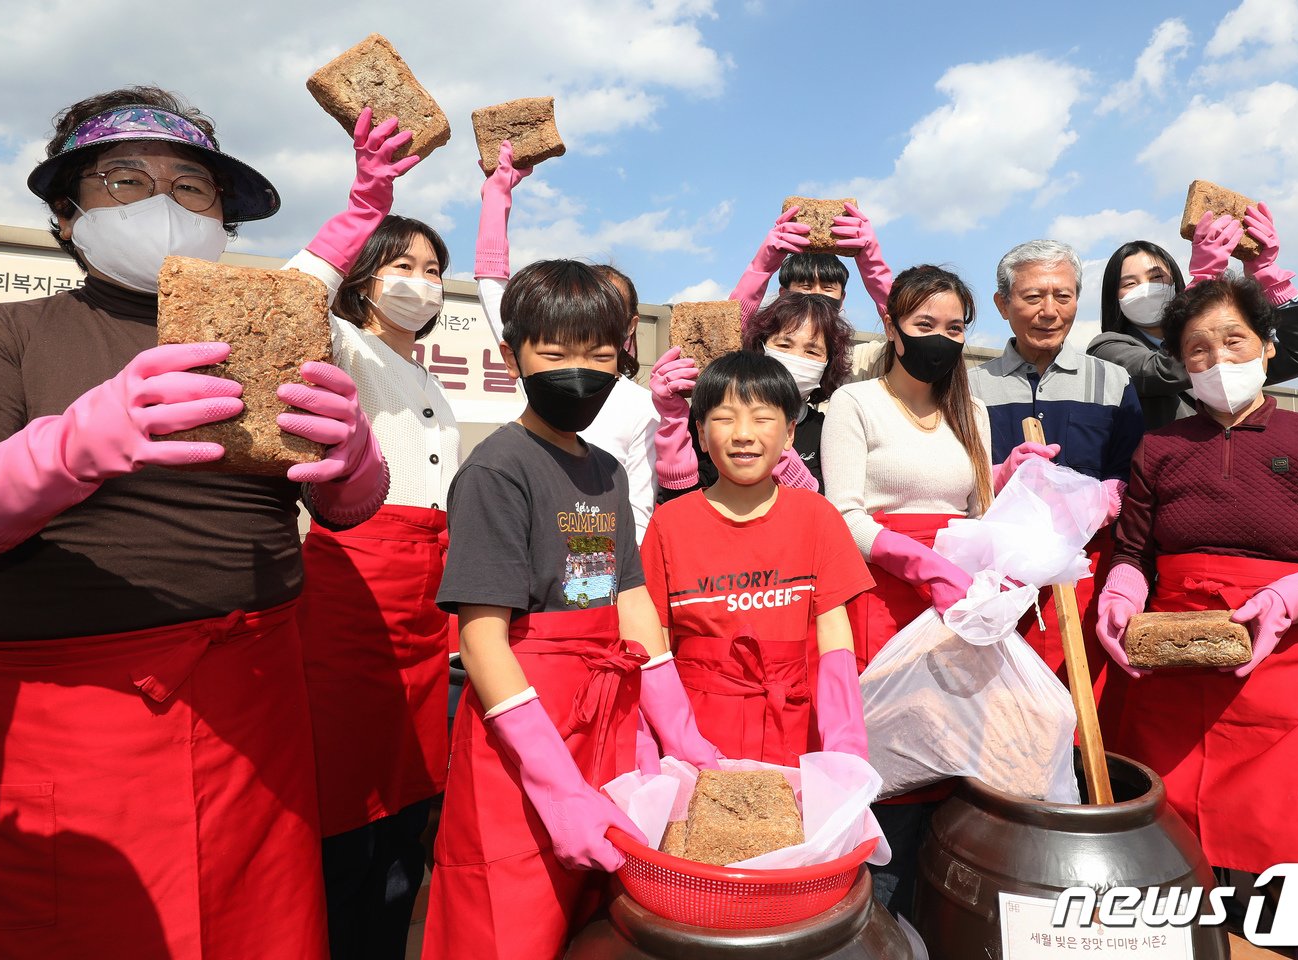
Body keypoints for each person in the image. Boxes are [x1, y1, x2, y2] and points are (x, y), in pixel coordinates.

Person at [0, 87, 389, 959]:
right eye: (124, 179)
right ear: (66, 215)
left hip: (259, 705)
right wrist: (77, 441)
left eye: (192, 187)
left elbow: (345, 510)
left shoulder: (275, 337)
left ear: (222, 219)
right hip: (71, 717)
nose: (164, 202)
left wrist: (354, 458)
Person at [421, 260, 721, 960]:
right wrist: (554, 787)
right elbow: (483, 641)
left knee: (594, 927)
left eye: (599, 355)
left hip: (603, 726)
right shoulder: (497, 470)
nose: (578, 372)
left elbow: (629, 598)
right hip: (523, 735)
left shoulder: (607, 470)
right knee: (507, 923)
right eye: (554, 354)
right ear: (512, 357)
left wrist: (680, 733)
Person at [1094, 275, 1298, 960]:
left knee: (1290, 850)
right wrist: (1120, 596)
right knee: (1170, 846)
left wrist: (1292, 598)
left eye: (1234, 341)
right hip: (1173, 667)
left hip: (1295, 668)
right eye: (1198, 349)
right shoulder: (1160, 447)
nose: (1218, 360)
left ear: (1268, 346)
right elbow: (1135, 552)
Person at [821, 264, 1050, 919]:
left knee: (952, 755)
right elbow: (842, 514)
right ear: (892, 327)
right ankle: (873, 920)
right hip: (882, 597)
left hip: (954, 609)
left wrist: (1008, 480)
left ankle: (937, 920)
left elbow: (977, 512)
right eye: (925, 325)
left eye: (954, 329)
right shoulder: (855, 403)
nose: (941, 340)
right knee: (891, 762)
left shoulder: (969, 410)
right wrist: (915, 561)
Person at [283, 109, 452, 959]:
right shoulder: (343, 342)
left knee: (410, 802)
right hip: (352, 582)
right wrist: (360, 207)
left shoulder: (427, 377)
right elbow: (285, 301)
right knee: (345, 799)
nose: (422, 282)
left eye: (434, 270)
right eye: (403, 266)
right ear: (363, 277)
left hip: (427, 601)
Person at [641, 350, 874, 767]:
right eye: (725, 419)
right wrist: (680, 740)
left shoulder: (816, 516)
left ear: (789, 433)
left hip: (793, 733)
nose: (744, 434)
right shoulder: (669, 524)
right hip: (696, 739)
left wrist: (845, 747)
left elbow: (834, 636)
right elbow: (651, 639)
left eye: (762, 418)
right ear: (700, 433)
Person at [968, 239, 1143, 691]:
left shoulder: (1112, 380)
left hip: (1086, 569)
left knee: (1083, 698)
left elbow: (1131, 469)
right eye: (1033, 297)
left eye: (1063, 296)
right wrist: (998, 476)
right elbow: (956, 476)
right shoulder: (970, 387)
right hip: (997, 575)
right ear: (1002, 304)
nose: (1049, 311)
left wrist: (1104, 500)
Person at [474, 144, 661, 542]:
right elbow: (491, 287)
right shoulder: (538, 376)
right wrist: (495, 200)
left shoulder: (644, 406)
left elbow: (639, 508)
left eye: (606, 312)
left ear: (628, 326)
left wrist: (610, 568)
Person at [1087, 207, 1298, 430]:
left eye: (1157, 277)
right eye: (1130, 283)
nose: (1146, 289)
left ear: (1176, 281)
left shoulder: (1227, 345)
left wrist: (1270, 278)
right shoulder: (1108, 349)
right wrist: (1204, 282)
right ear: (1113, 297)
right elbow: (1164, 370)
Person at [652, 291, 854, 497]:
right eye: (784, 345)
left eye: (812, 351)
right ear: (760, 347)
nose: (796, 357)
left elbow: (823, 506)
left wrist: (780, 456)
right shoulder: (715, 414)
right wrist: (673, 420)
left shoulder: (827, 431)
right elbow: (680, 501)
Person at [730, 202, 893, 382]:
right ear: (784, 294)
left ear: (842, 299)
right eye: (806, 287)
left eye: (827, 288)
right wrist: (760, 268)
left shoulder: (858, 361)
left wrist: (875, 269)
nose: (816, 295)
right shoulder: (759, 350)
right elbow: (728, 333)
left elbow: (906, 335)